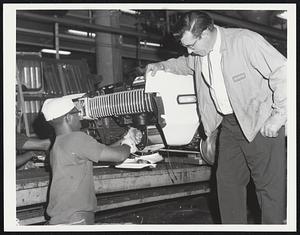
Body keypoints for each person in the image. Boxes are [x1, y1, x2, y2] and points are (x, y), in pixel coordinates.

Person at [146, 11, 286, 224]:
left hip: (260, 122)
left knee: (268, 188)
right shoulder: (199, 54)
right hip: (229, 125)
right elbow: (186, 64)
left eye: (191, 45)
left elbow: (283, 71)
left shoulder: (244, 41)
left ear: (205, 34)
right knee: (227, 183)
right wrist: (162, 66)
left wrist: (278, 117)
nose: (189, 51)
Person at [41, 95, 142, 225]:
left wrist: (124, 139)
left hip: (63, 218)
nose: (80, 117)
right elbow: (119, 156)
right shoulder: (76, 138)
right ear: (68, 117)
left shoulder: (57, 145)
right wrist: (129, 144)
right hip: (75, 220)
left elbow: (101, 151)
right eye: (78, 113)